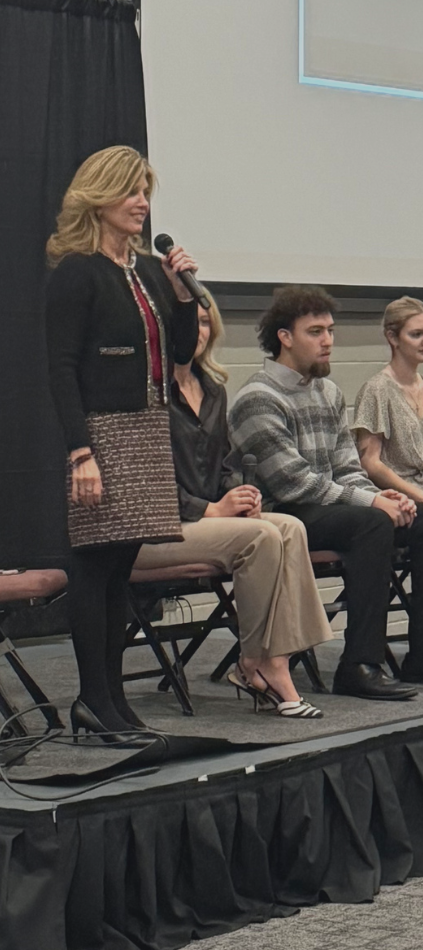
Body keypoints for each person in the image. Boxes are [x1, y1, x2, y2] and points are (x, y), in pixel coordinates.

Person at [45, 145, 199, 735]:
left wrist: (182, 293)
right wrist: (80, 451)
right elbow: (61, 368)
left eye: (145, 191)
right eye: (131, 191)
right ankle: (93, 699)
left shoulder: (146, 272)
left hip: (147, 427)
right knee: (94, 567)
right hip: (103, 435)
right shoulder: (78, 271)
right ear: (100, 196)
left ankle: (111, 701)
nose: (142, 202)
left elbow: (182, 351)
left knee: (120, 572)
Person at [135, 296, 332, 717]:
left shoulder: (212, 389)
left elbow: (225, 463)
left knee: (290, 527)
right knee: (260, 537)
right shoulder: (146, 391)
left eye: (206, 323)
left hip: (206, 521)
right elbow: (144, 478)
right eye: (191, 322)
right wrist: (210, 509)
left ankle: (274, 661)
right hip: (157, 525)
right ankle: (258, 663)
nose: (198, 332)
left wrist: (241, 495)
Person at [228, 286, 419, 700]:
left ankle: (419, 658)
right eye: (315, 332)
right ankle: (359, 666)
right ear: (285, 337)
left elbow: (348, 468)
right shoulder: (258, 398)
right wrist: (373, 501)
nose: (328, 340)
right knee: (371, 523)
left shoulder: (328, 392)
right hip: (280, 515)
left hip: (327, 508)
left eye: (330, 330)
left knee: (416, 519)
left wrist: (387, 497)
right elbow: (293, 483)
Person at [352, 296, 423, 680]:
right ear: (393, 338)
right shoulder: (378, 390)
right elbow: (372, 463)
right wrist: (417, 494)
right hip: (399, 502)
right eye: (417, 334)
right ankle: (419, 659)